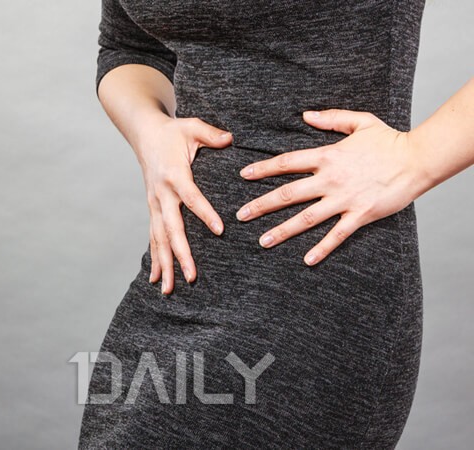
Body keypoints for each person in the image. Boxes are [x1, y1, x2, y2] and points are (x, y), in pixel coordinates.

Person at [78, 0, 474, 448]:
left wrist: (416, 159)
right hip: (176, 279)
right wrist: (149, 128)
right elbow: (128, 46)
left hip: (315, 281)